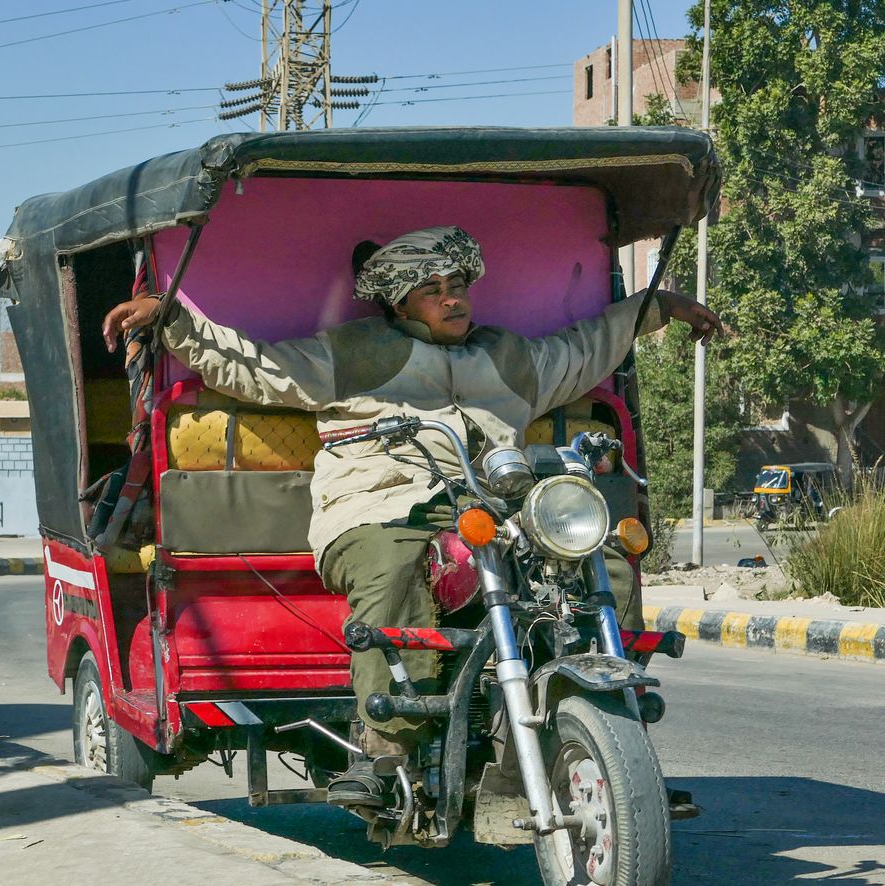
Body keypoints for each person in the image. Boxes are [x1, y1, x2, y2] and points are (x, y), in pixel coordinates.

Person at [103, 225, 721, 808]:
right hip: (379, 508)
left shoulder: (508, 357)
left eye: (458, 287)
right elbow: (254, 368)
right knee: (396, 568)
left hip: (495, 509)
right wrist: (174, 319)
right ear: (400, 304)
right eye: (433, 291)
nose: (453, 300)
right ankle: (387, 753)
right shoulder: (356, 352)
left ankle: (610, 734)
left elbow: (587, 348)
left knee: (597, 553)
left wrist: (658, 306)